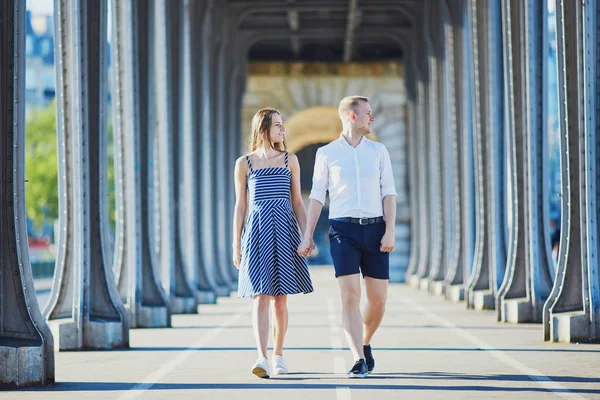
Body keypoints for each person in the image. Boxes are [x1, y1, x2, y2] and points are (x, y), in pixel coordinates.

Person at [298, 96, 397, 378]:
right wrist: (307, 236)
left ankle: (365, 343)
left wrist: (389, 230)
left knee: (378, 301)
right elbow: (317, 197)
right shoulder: (327, 154)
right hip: (343, 231)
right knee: (350, 296)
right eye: (368, 113)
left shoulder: (379, 151)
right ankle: (357, 358)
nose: (372, 118)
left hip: (376, 229)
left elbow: (389, 193)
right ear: (353, 116)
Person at [233, 107, 314, 379]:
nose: (283, 130)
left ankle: (278, 355)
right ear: (263, 128)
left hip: (284, 231)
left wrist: (307, 235)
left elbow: (298, 202)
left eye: (283, 125)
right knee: (259, 298)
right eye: (278, 125)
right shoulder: (244, 163)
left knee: (280, 299)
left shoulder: (290, 160)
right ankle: (262, 357)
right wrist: (236, 245)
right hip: (256, 234)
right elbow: (240, 207)